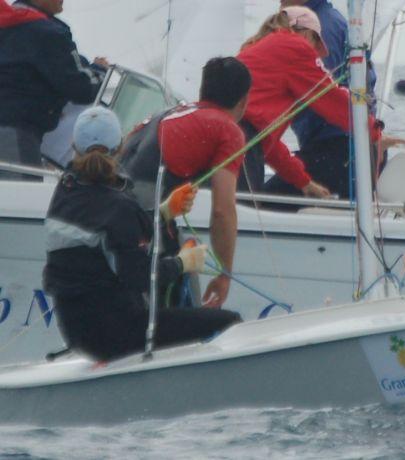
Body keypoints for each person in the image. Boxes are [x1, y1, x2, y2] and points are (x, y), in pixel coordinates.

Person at [43, 106, 241, 362]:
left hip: (76, 333)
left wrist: (164, 211)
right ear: (120, 147)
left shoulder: (66, 191)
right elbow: (139, 276)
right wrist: (183, 263)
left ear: (74, 146)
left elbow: (112, 230)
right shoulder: (118, 204)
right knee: (229, 322)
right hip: (113, 335)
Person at [120, 57, 252, 308]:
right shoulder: (228, 130)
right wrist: (224, 275)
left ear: (202, 89)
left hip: (116, 218)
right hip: (143, 230)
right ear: (244, 101)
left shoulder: (165, 113)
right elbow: (223, 210)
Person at [237, 6, 405, 199]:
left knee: (234, 207)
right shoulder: (294, 46)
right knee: (239, 210)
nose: (317, 56)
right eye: (316, 45)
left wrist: (304, 182)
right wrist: (374, 132)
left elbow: (268, 143)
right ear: (307, 34)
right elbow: (332, 99)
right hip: (241, 142)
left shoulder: (256, 50)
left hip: (226, 135)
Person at [274, 0, 379, 198]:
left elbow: (323, 95)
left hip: (341, 151)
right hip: (349, 147)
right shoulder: (323, 21)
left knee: (256, 201)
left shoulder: (319, 29)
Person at [0, 0, 106, 177]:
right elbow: (82, 87)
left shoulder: (9, 25)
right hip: (15, 139)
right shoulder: (45, 32)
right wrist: (101, 72)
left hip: (14, 135)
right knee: (21, 194)